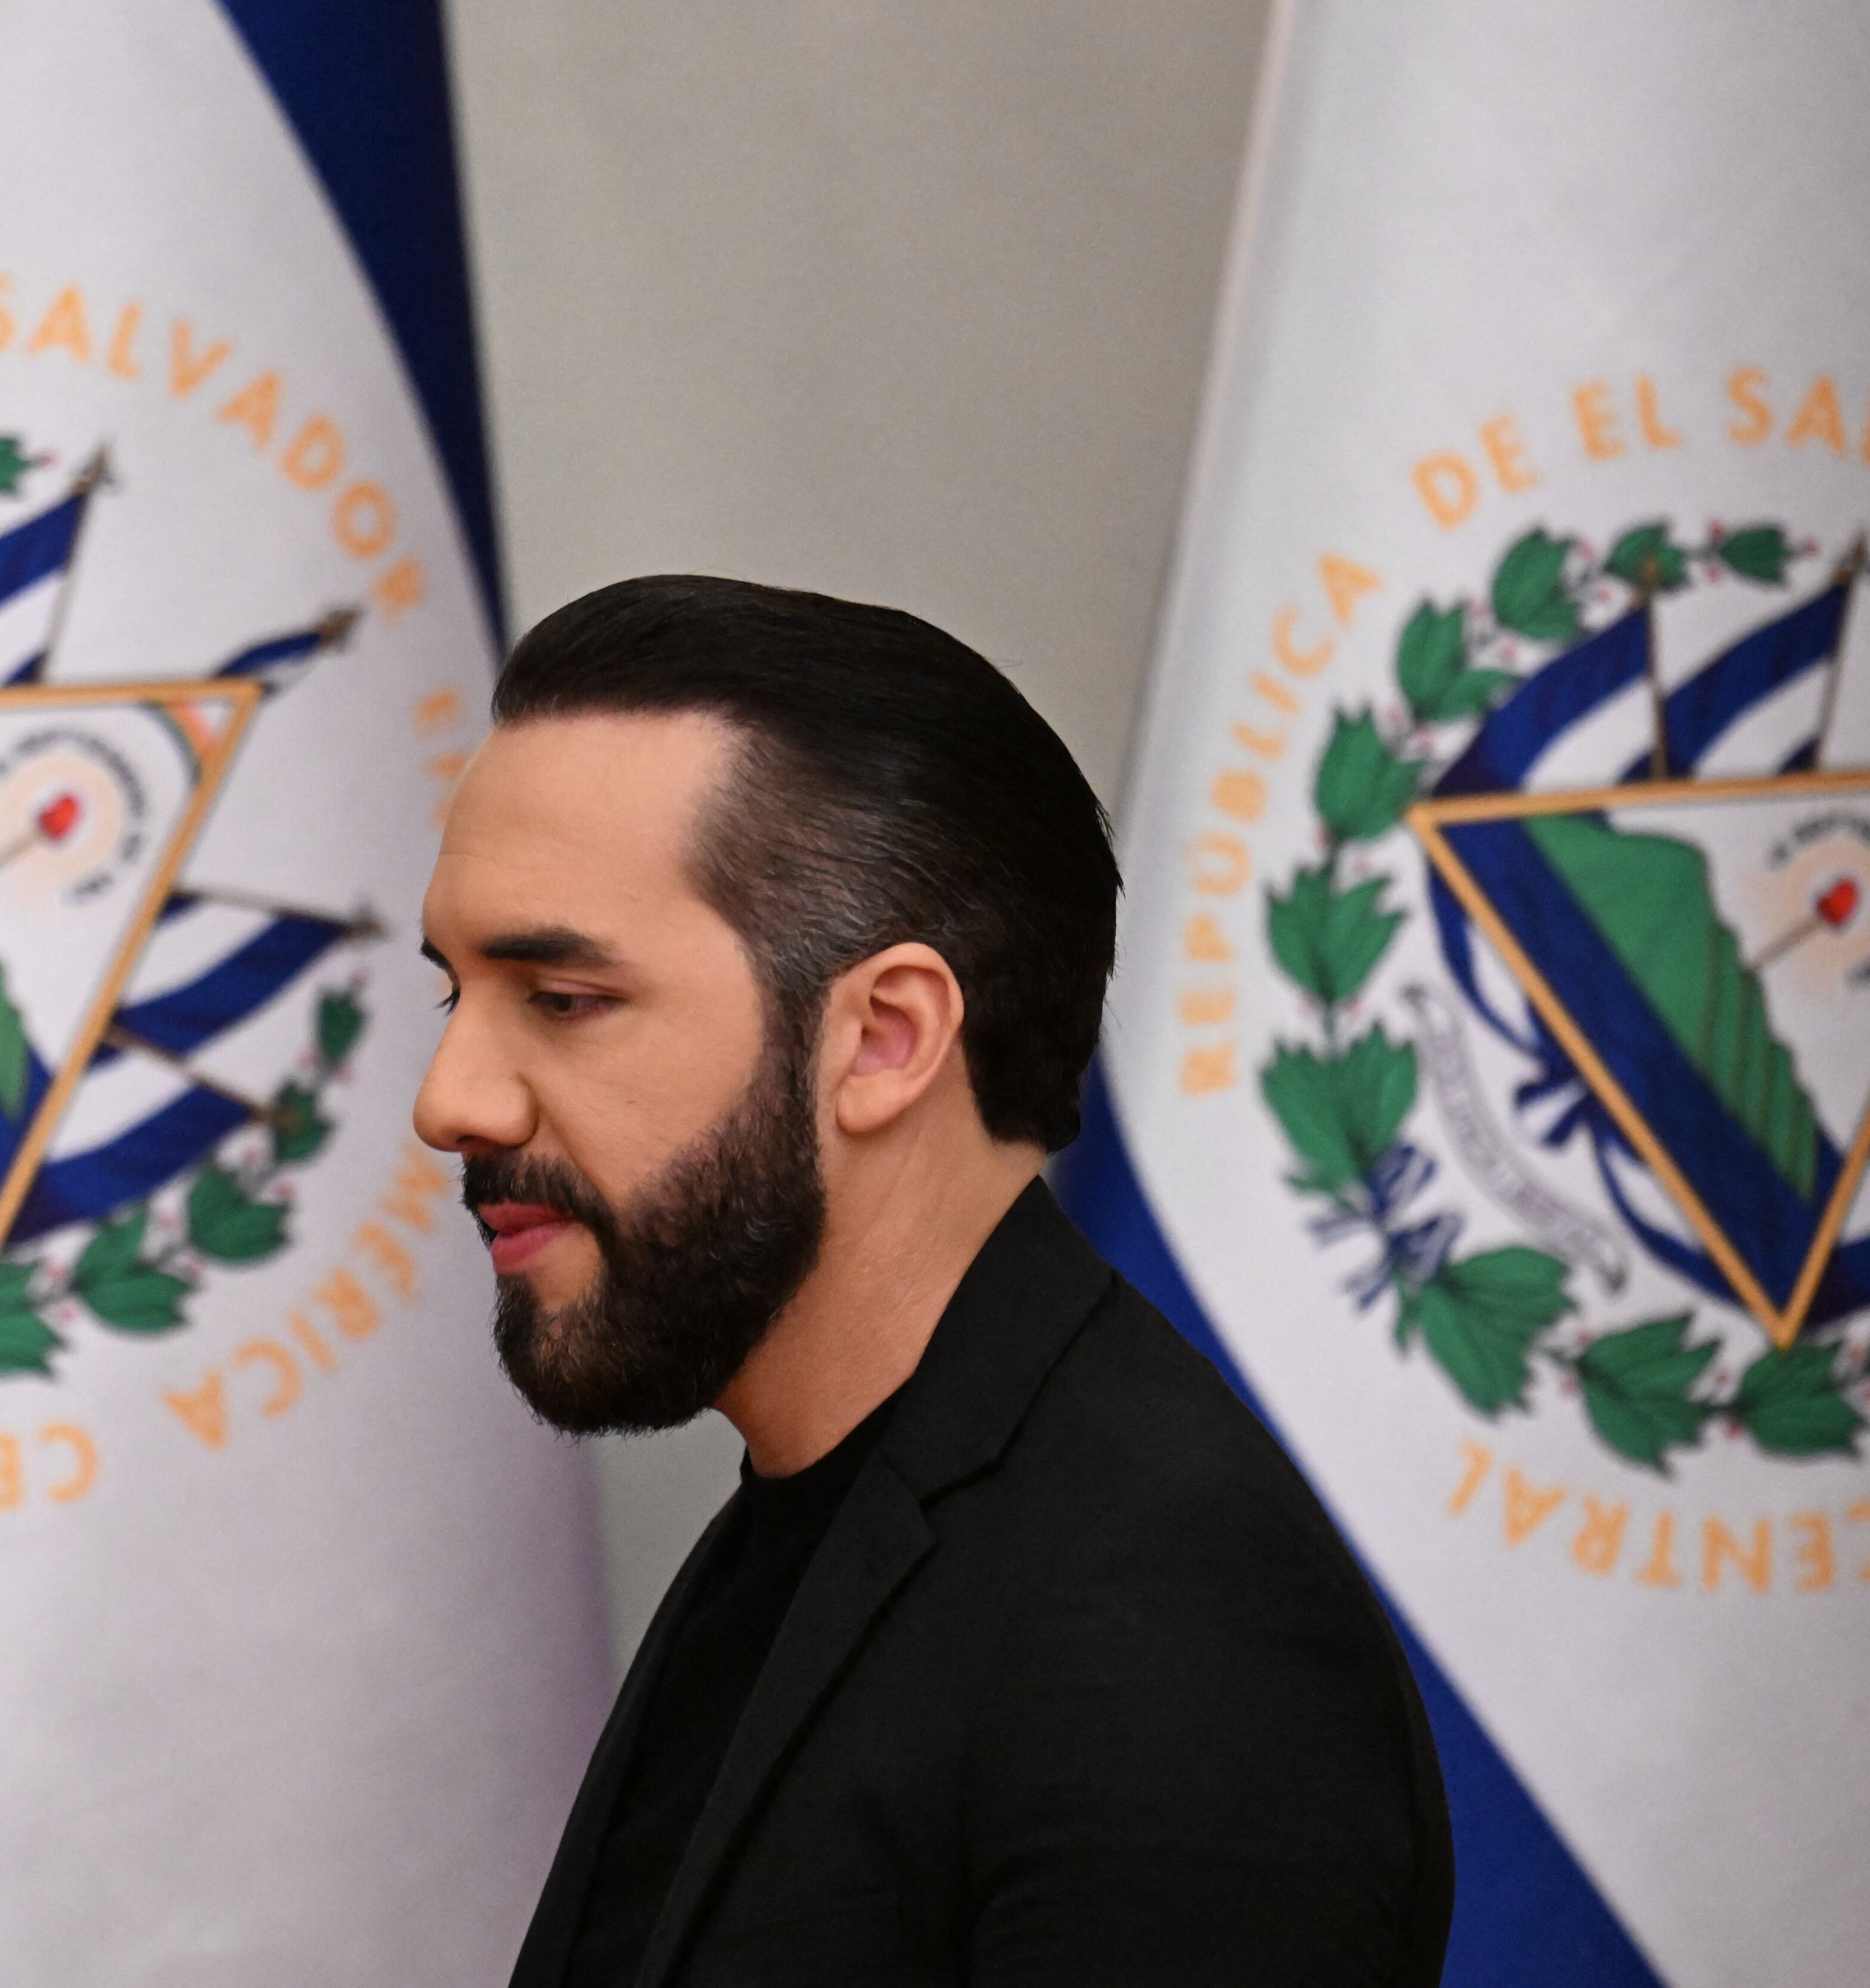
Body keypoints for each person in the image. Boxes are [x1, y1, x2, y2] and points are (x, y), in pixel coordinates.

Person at [413, 575, 1452, 1987]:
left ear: (885, 1040)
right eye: (450, 994)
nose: (450, 1099)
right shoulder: (819, 1520)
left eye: (563, 999)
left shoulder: (1165, 1620)